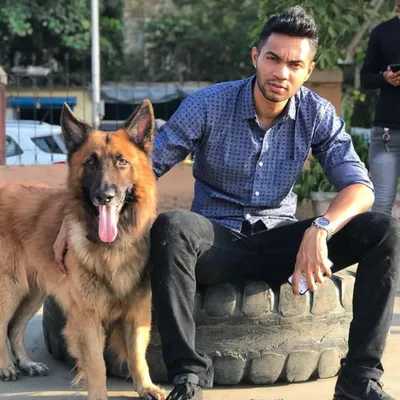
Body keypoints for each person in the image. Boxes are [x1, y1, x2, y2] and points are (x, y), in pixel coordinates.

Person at [54, 6, 400, 400]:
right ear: (255, 57)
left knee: (382, 229)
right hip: (215, 242)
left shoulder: (316, 113)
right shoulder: (209, 104)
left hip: (281, 243)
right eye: (273, 59)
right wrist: (72, 222)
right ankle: (188, 377)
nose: (281, 73)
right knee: (172, 227)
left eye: (294, 65)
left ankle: (359, 379)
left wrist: (321, 228)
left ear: (308, 70)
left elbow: (361, 187)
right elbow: (142, 169)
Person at [360, 0, 400, 215]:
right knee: (381, 205)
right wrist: (384, 78)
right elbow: (365, 78)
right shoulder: (382, 32)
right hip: (387, 132)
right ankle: (379, 240)